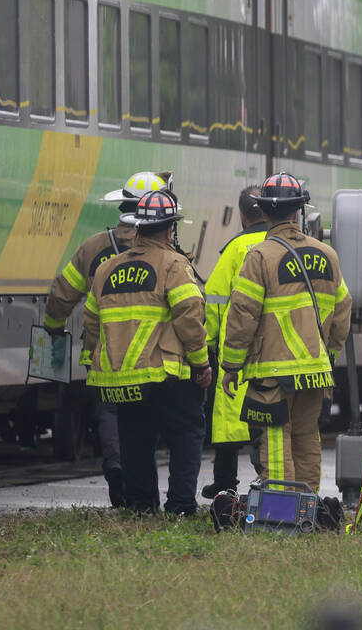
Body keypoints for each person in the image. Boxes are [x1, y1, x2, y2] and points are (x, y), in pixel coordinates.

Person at [43, 171, 169, 507]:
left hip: (103, 352)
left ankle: (115, 464)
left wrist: (52, 327)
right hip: (150, 353)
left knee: (109, 412)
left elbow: (63, 293)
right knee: (145, 420)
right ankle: (141, 487)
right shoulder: (162, 250)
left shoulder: (94, 248)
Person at [220, 172, 352, 493]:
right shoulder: (327, 255)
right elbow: (343, 309)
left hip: (273, 374)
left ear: (264, 212)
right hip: (315, 372)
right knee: (307, 441)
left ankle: (281, 510)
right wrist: (329, 354)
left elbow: (243, 315)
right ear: (298, 211)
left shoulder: (259, 256)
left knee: (277, 441)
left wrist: (232, 365)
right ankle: (307, 507)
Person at [82, 189, 211, 516]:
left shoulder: (107, 269)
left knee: (135, 437)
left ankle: (141, 504)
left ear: (137, 226)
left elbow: (91, 322)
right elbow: (189, 315)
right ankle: (180, 505)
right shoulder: (174, 265)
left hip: (123, 376)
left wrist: (92, 364)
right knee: (187, 431)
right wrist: (201, 364)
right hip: (167, 373)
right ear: (169, 230)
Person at [200, 186, 266, 499]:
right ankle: (269, 481)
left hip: (236, 352)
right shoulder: (283, 245)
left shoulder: (235, 249)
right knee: (268, 424)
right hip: (278, 348)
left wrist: (207, 345)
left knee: (229, 422)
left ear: (241, 215)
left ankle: (225, 483)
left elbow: (214, 301)